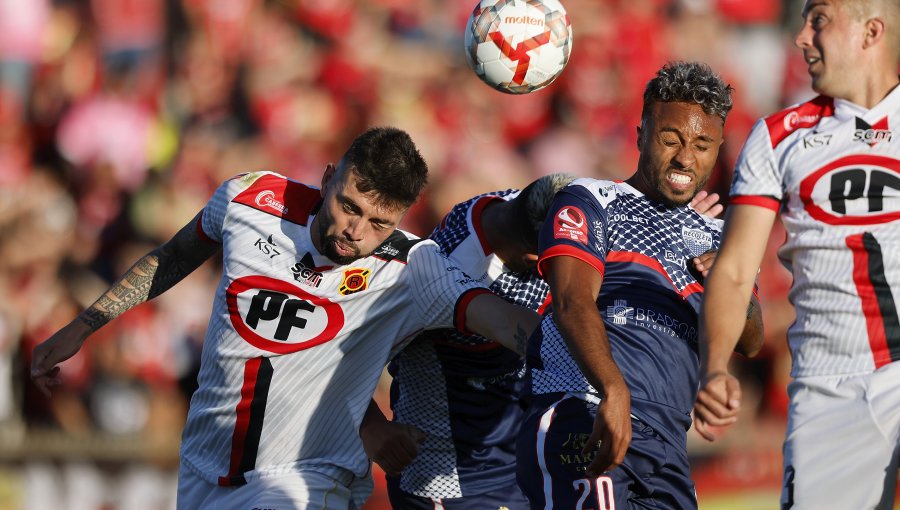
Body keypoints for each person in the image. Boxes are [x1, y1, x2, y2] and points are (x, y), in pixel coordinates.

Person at [29, 126, 542, 510]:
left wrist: (597, 365)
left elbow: (502, 320)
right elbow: (174, 256)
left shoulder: (414, 266)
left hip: (307, 479)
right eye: (348, 206)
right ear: (326, 179)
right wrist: (83, 325)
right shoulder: (249, 200)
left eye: (379, 222)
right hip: (204, 467)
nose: (355, 231)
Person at [359, 175, 725, 509]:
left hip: (522, 456)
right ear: (536, 259)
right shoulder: (438, 273)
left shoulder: (537, 210)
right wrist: (373, 427)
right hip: (452, 478)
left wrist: (671, 229)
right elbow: (343, 346)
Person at [515, 61, 764, 509]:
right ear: (641, 134)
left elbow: (751, 340)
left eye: (702, 145)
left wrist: (731, 285)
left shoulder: (718, 236)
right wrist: (613, 389)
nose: (686, 158)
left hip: (669, 445)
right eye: (671, 140)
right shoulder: (589, 200)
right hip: (586, 411)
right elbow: (573, 302)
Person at [695, 0, 900, 508]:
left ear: (871, 31)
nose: (801, 36)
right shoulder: (777, 136)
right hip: (825, 388)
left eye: (819, 20)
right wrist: (715, 366)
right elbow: (738, 267)